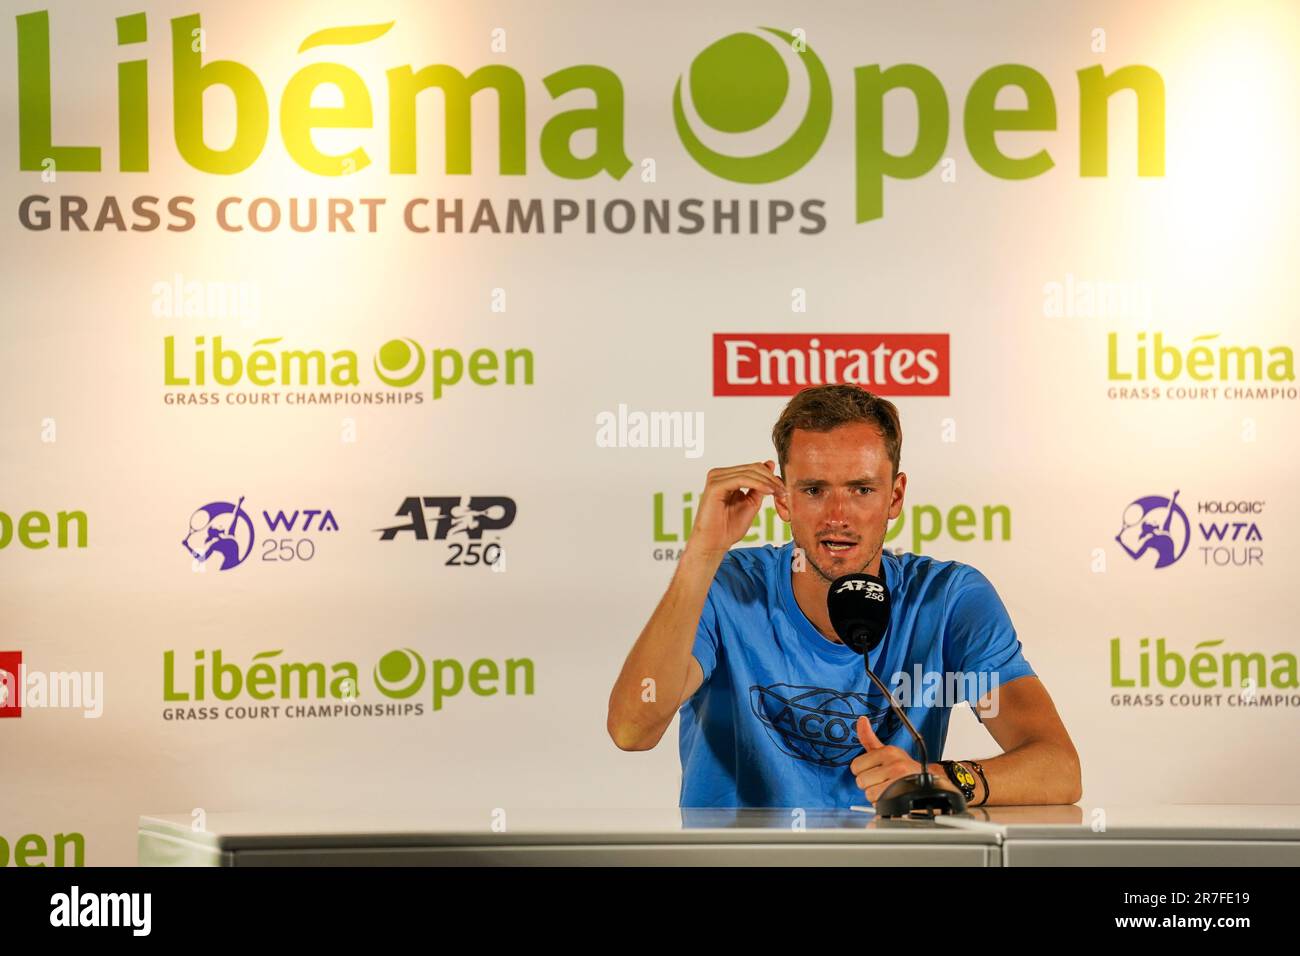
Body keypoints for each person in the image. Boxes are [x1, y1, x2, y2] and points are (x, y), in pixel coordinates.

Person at [607, 384, 1081, 809]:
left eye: (861, 489)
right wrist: (702, 554)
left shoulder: (949, 599)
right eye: (814, 490)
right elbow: (633, 729)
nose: (838, 515)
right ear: (783, 500)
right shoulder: (726, 585)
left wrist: (937, 779)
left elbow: (1058, 769)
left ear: (895, 497)